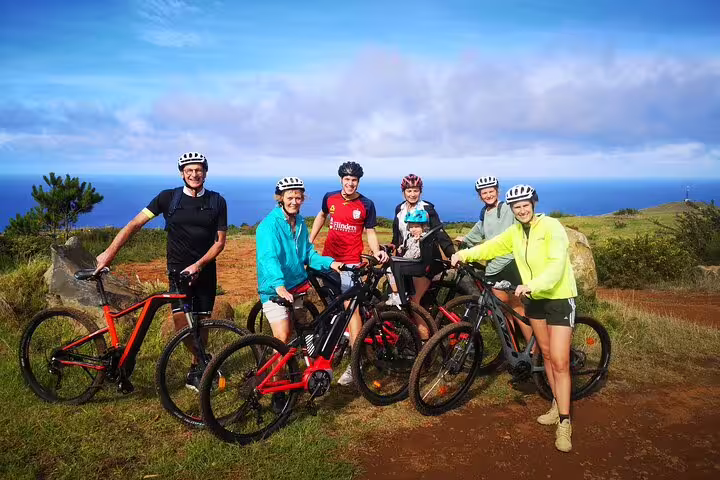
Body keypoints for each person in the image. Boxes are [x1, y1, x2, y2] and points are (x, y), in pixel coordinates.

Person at [451, 184, 577, 453]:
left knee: (559, 360)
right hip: (534, 299)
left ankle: (565, 422)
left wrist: (534, 285)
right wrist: (464, 253)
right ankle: (557, 404)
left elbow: (557, 265)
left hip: (558, 297)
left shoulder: (552, 227)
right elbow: (491, 247)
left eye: (525, 205)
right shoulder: (516, 232)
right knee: (544, 353)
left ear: (534, 204)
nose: (521, 210)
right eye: (516, 207)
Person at [95, 152, 227, 391]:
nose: (194, 174)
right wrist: (109, 253)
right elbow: (135, 224)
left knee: (202, 321)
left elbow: (219, 242)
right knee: (181, 323)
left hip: (205, 269)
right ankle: (205, 362)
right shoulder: (168, 198)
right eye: (189, 170)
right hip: (178, 271)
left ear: (205, 172)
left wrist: (198, 265)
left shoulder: (217, 201)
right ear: (182, 173)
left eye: (198, 170)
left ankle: (196, 369)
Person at [256, 177, 343, 412]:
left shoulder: (301, 223)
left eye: (298, 197)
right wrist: (278, 284)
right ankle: (278, 391)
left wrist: (330, 263)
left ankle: (299, 378)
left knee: (301, 336)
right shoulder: (269, 225)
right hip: (275, 290)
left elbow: (308, 255)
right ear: (280, 198)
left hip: (298, 288)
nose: (295, 201)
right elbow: (268, 257)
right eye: (290, 196)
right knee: (282, 337)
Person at [309, 161, 388, 386]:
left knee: (352, 312)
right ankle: (332, 347)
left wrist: (376, 252)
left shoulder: (366, 204)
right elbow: (321, 217)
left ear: (358, 182)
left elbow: (370, 231)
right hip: (329, 262)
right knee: (332, 306)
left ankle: (356, 365)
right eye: (347, 179)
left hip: (351, 264)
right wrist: (309, 242)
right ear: (341, 180)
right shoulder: (330, 198)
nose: (350, 183)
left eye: (354, 180)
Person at [454, 176, 532, 343]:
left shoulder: (507, 209)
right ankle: (513, 350)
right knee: (502, 311)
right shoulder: (485, 213)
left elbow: (522, 218)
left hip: (510, 264)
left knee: (517, 307)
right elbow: (478, 231)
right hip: (493, 267)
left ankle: (534, 349)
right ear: (480, 195)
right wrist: (465, 241)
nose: (488, 195)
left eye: (491, 191)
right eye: (484, 193)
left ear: (497, 191)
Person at [390, 174, 455, 337]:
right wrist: (389, 248)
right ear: (403, 191)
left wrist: (452, 253)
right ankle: (408, 336)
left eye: (416, 190)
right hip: (406, 261)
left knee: (413, 302)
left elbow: (439, 233)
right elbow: (396, 237)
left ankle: (426, 344)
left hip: (425, 261)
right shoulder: (399, 209)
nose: (412, 194)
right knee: (396, 295)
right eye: (409, 190)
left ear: (421, 191)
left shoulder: (427, 209)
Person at [385, 209, 430, 306]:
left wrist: (403, 257)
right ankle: (405, 291)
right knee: (396, 267)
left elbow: (415, 253)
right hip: (411, 262)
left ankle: (398, 295)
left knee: (390, 270)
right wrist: (400, 249)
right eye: (411, 227)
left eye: (417, 227)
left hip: (414, 262)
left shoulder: (422, 239)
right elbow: (405, 246)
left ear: (424, 227)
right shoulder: (412, 237)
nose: (413, 229)